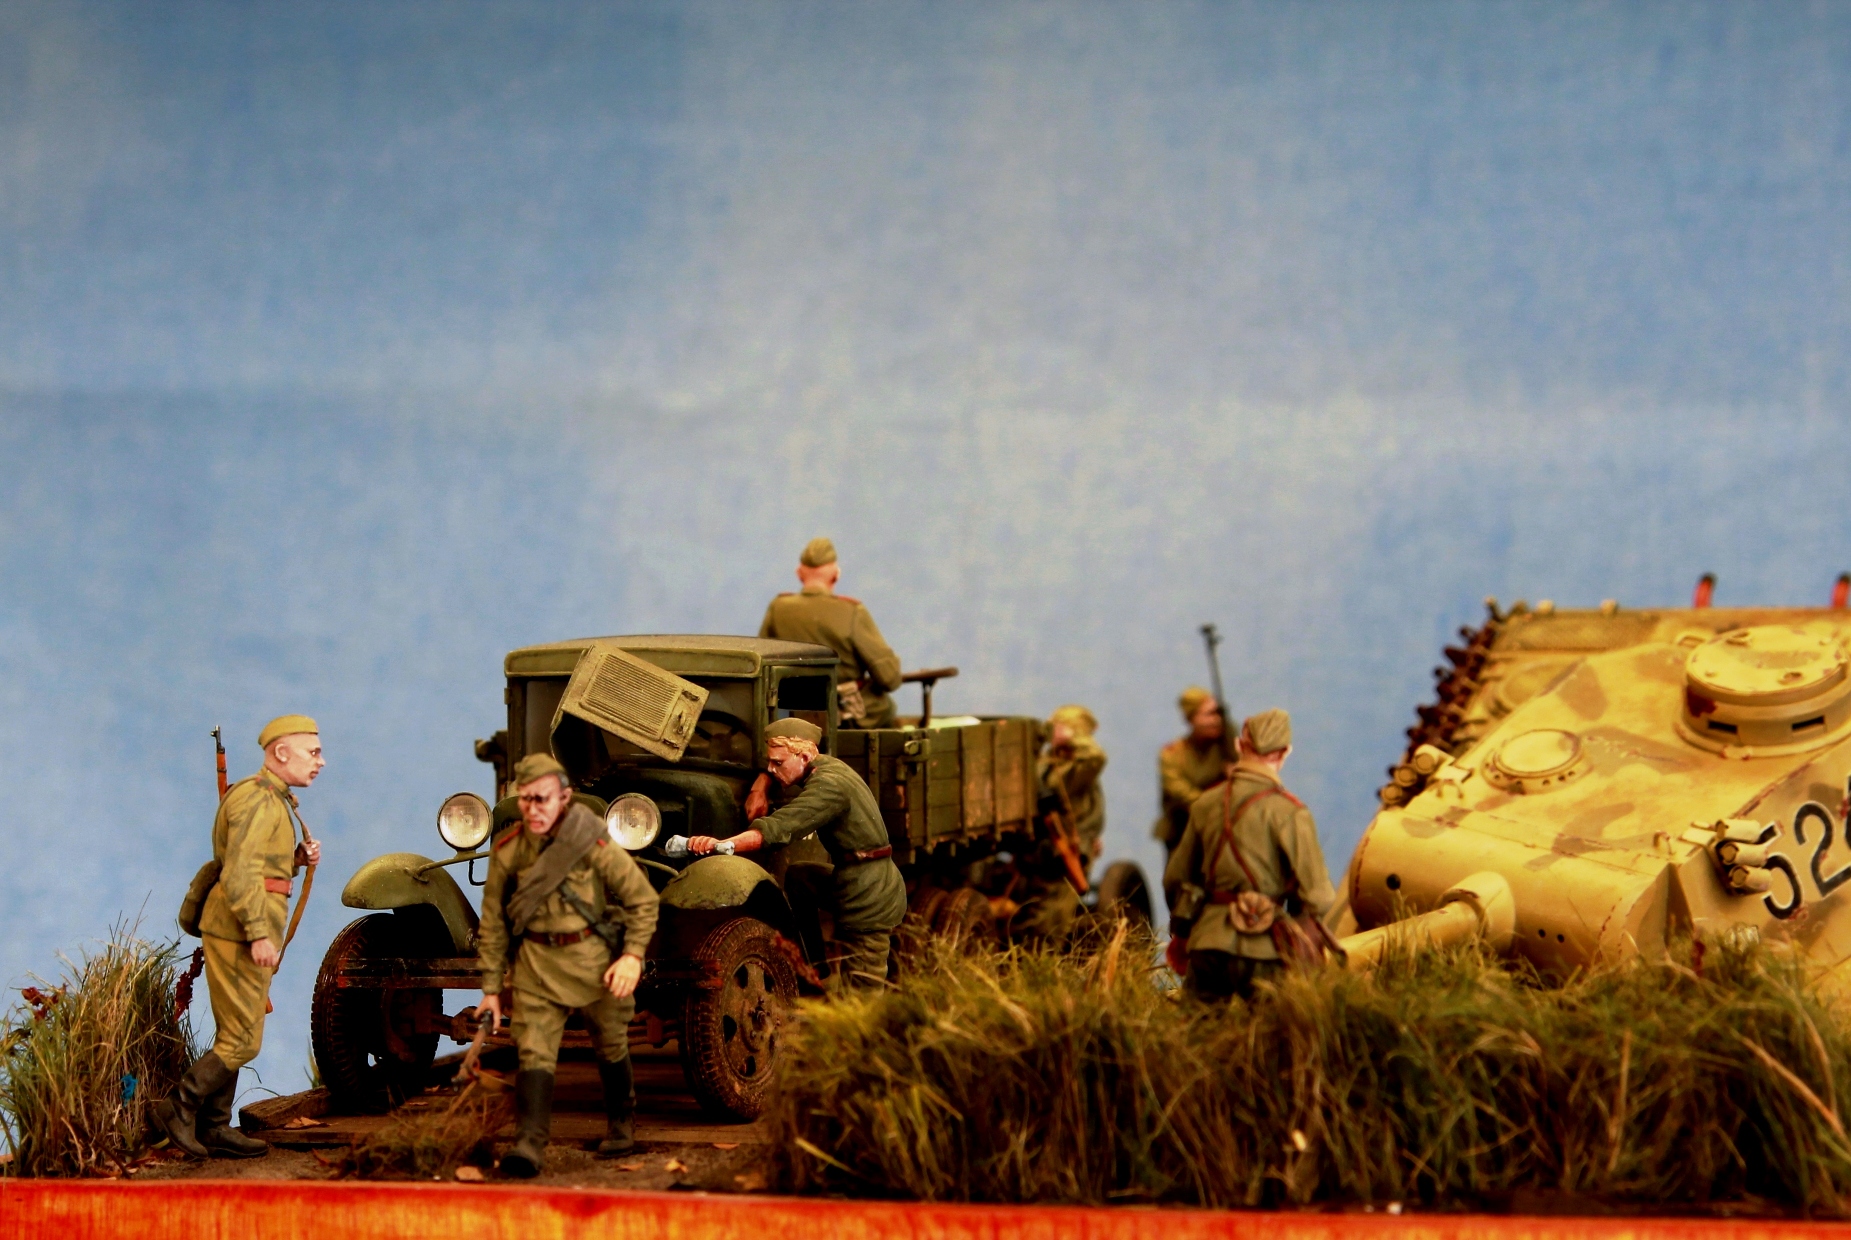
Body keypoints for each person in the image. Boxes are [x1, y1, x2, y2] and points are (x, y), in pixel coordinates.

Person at [477, 753, 660, 1178]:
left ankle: (622, 1122)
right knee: (533, 1049)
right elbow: (493, 923)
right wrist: (491, 989)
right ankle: (529, 1142)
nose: (532, 809)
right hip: (537, 964)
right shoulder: (508, 850)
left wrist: (632, 956)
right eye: (525, 799)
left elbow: (642, 899)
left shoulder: (589, 839)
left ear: (564, 798)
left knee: (611, 1042)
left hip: (593, 960)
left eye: (542, 799)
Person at [153, 715, 324, 1159]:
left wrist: (295, 859)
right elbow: (240, 873)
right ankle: (180, 1105)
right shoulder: (259, 800)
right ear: (281, 753)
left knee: (236, 1031)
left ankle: (214, 1126)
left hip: (243, 928)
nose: (320, 761)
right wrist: (258, 934)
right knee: (244, 1039)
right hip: (238, 931)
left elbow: (260, 866)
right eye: (313, 752)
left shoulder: (271, 800)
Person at [688, 718, 905, 988]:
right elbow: (784, 769)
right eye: (770, 762)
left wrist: (721, 844)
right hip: (852, 876)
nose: (771, 768)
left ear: (803, 756)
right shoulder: (824, 765)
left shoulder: (829, 786)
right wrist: (761, 784)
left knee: (862, 988)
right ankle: (813, 968)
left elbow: (780, 828)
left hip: (869, 891)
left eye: (777, 763)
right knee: (800, 877)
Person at [1162, 709, 1336, 1002]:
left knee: (1197, 1026)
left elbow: (1175, 879)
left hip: (1208, 943)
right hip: (1266, 949)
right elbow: (1319, 897)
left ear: (1239, 746)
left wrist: (1188, 928)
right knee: (1269, 1026)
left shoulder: (1205, 804)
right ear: (1285, 752)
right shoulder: (1290, 812)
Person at [759, 537, 903, 728]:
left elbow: (763, 666)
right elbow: (889, 679)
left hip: (791, 714)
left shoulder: (778, 608)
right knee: (887, 708)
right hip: (844, 717)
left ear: (800, 573)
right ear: (835, 574)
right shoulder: (851, 611)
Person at [1152, 687, 1229, 858]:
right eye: (1209, 714)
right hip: (1182, 828)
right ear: (1191, 718)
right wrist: (1208, 806)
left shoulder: (1225, 748)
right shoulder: (1172, 754)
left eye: (1218, 714)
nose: (1216, 720)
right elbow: (1178, 790)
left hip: (1221, 828)